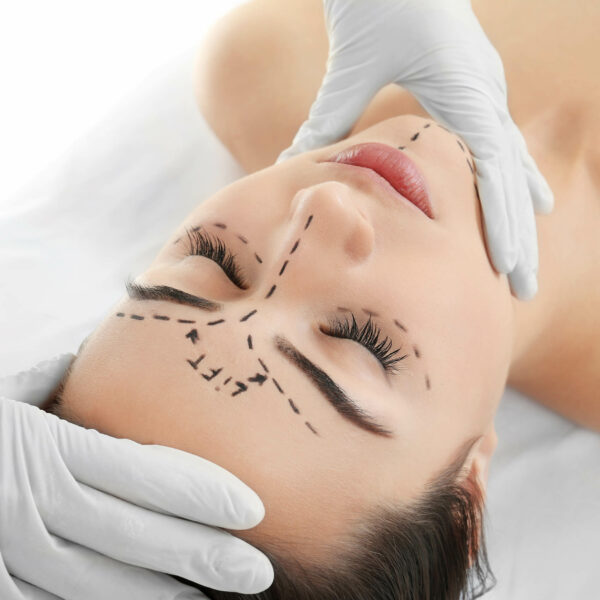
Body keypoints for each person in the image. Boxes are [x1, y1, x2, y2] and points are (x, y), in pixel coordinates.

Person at [2, 1, 596, 600]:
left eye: (215, 260)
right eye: (359, 340)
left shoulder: (265, 64)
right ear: (468, 478)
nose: (322, 206)